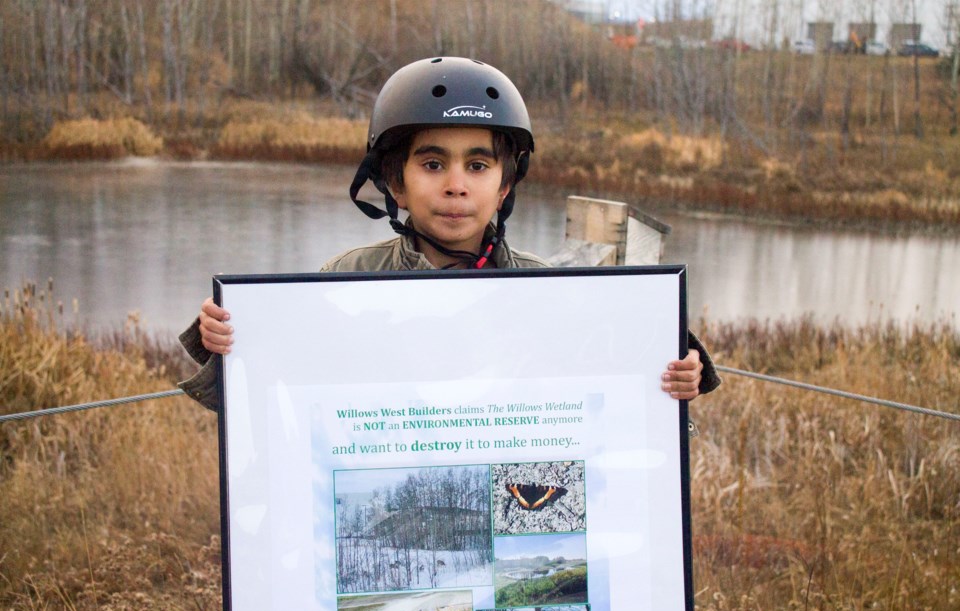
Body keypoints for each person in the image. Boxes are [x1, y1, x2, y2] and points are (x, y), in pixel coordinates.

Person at [178, 57, 720, 411]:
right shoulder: (342, 282)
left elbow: (616, 370)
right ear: (396, 182)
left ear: (505, 185)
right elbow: (271, 392)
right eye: (433, 165)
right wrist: (230, 341)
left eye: (478, 167)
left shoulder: (551, 290)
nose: (457, 186)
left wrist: (679, 369)